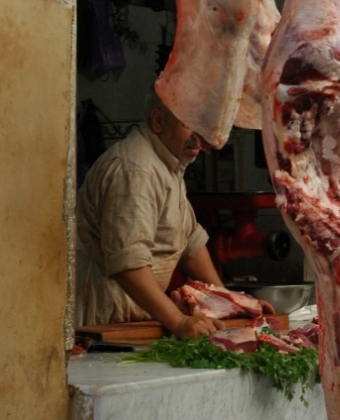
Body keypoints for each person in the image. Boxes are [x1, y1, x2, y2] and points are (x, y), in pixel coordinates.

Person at [76, 89, 227, 339]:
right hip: (103, 316)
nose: (199, 136)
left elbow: (190, 241)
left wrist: (227, 300)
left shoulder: (168, 163)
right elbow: (128, 264)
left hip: (132, 312)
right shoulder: (136, 170)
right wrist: (179, 321)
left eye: (202, 125)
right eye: (189, 124)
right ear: (158, 121)